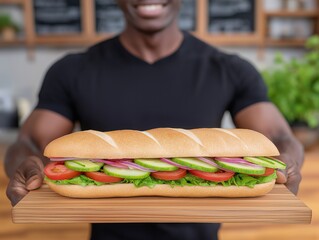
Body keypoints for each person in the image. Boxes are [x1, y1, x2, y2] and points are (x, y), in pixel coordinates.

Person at [5, 1, 303, 240]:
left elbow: (278, 137)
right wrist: (22, 165)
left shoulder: (230, 69)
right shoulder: (71, 70)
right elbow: (30, 142)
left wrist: (288, 161)